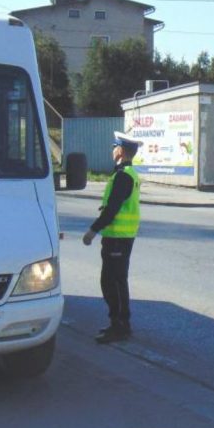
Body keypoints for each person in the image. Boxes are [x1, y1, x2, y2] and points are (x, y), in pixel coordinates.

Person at [82, 131, 142, 344]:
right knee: (116, 280)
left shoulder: (123, 176)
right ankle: (120, 323)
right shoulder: (126, 174)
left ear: (121, 151)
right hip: (121, 235)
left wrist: (92, 230)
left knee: (112, 282)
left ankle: (119, 325)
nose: (112, 150)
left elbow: (113, 208)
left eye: (114, 146)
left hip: (117, 236)